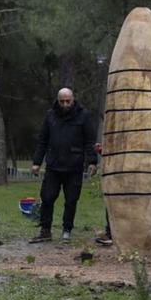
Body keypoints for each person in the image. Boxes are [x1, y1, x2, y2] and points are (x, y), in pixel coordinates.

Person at [30, 88, 97, 243]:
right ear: (58, 100)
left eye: (68, 101)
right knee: (47, 197)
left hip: (74, 166)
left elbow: (89, 141)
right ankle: (45, 230)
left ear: (73, 99)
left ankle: (67, 230)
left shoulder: (84, 116)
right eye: (62, 101)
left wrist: (92, 161)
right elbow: (43, 140)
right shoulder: (50, 116)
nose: (65, 104)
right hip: (53, 165)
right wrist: (37, 162)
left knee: (71, 200)